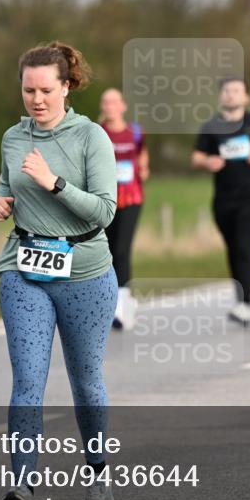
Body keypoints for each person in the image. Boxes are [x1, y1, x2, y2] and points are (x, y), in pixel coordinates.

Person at [0, 41, 118, 500]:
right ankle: (22, 488)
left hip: (85, 271)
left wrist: (54, 183)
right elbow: (8, 185)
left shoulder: (91, 138)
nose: (36, 99)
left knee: (86, 383)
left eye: (46, 89)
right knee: (27, 383)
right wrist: (1, 202)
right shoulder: (12, 138)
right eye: (28, 90)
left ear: (66, 86)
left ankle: (98, 472)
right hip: (23, 269)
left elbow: (106, 210)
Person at [192, 77, 250, 325]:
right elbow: (196, 157)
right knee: (233, 248)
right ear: (220, 96)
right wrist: (208, 162)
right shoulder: (212, 126)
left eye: (236, 91)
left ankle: (245, 303)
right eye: (227, 91)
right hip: (223, 198)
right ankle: (241, 299)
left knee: (245, 245)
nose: (231, 95)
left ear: (246, 97)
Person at [99, 88, 150, 330]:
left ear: (123, 106)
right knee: (107, 251)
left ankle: (124, 306)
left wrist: (143, 169)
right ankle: (108, 303)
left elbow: (142, 156)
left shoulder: (135, 132)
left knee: (122, 250)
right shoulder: (98, 132)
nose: (110, 106)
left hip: (131, 197)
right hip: (105, 199)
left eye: (114, 102)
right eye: (106, 102)